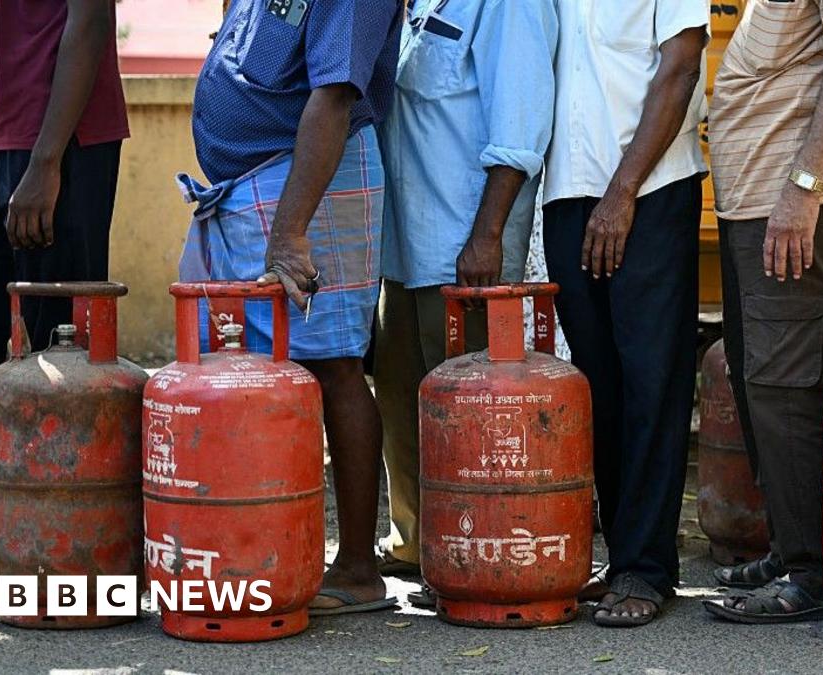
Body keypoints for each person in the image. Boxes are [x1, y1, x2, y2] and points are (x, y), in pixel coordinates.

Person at [177, 0, 403, 614]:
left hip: (308, 186)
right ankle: (254, 550)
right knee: (239, 371)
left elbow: (333, 96)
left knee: (333, 368)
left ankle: (358, 566)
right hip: (254, 187)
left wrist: (289, 232)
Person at [702, 0, 823, 622]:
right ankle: (790, 552)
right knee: (761, 378)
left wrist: (802, 189)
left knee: (788, 387)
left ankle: (812, 571)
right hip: (758, 202)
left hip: (795, 200)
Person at [372, 0, 558, 589]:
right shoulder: (421, 5)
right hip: (403, 249)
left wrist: (488, 236)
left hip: (464, 251)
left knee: (467, 420)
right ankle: (415, 544)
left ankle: (471, 555)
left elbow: (522, 127)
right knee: (402, 401)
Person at [543, 1, 709, 627]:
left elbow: (681, 68)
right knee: (597, 386)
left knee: (652, 381)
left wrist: (622, 192)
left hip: (650, 190)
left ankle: (647, 566)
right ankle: (621, 559)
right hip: (567, 191)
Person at [0, 0, 128, 610]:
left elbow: (89, 20)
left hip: (62, 150)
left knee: (54, 364)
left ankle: (60, 565)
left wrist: (44, 164)